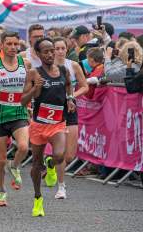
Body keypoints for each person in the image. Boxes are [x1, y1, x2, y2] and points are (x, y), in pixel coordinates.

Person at [20, 38, 75, 217]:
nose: (51, 54)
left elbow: (68, 86)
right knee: (36, 164)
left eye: (52, 50)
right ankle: (38, 199)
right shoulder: (34, 73)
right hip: (38, 124)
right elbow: (23, 101)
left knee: (60, 155)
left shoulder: (64, 70)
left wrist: (70, 99)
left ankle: (51, 164)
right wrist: (35, 88)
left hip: (57, 123)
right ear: (38, 54)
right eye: (46, 51)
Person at [0, 31, 32, 206]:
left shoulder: (25, 64)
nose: (12, 47)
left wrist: (29, 100)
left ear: (19, 45)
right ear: (2, 45)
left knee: (24, 146)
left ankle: (15, 166)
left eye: (15, 44)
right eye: (8, 44)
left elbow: (27, 89)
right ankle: (1, 191)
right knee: (1, 160)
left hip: (19, 112)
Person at [52, 37, 88, 198]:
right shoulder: (46, 67)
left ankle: (51, 163)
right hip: (53, 111)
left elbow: (85, 86)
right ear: (52, 50)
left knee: (69, 155)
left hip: (70, 109)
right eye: (57, 48)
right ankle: (61, 186)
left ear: (66, 49)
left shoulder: (73, 65)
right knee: (59, 152)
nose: (60, 51)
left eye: (62, 48)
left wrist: (72, 96)